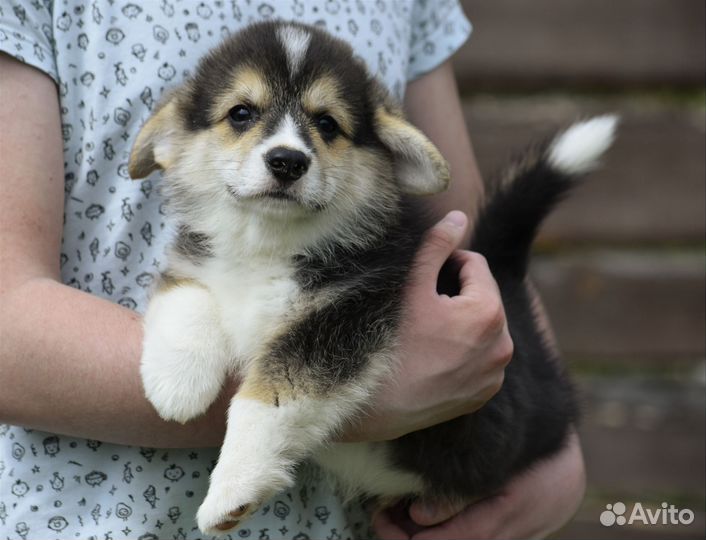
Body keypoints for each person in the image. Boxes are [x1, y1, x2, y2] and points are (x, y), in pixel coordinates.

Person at [0, 1, 585, 538]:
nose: (288, 147)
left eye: (325, 125)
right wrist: (373, 393)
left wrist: (555, 461)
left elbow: (472, 250)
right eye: (243, 113)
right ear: (175, 137)